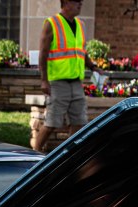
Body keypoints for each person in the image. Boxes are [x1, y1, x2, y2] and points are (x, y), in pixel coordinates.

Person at [33, 0, 90, 153]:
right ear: (66, 3)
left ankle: (68, 155)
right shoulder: (52, 23)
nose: (80, 4)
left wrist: (93, 66)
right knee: (52, 123)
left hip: (76, 82)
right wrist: (44, 80)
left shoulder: (81, 25)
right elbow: (43, 53)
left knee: (79, 123)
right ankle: (35, 153)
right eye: (77, 1)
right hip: (58, 82)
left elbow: (81, 51)